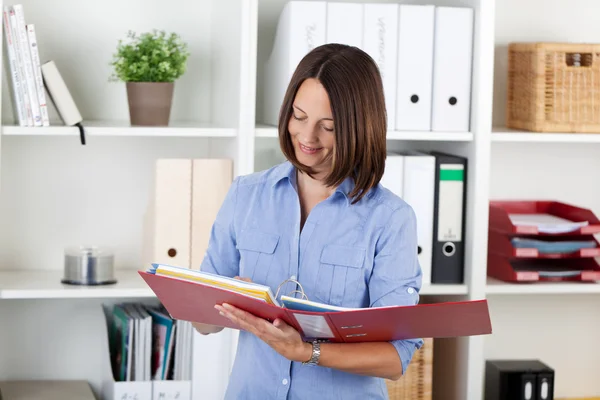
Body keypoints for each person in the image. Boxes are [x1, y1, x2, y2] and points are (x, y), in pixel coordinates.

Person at [194, 43, 423, 399]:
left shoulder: (390, 218)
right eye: (298, 117)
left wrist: (304, 352)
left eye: (327, 126)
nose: (306, 137)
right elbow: (202, 322)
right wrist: (224, 303)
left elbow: (396, 357)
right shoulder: (246, 194)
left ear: (359, 127)